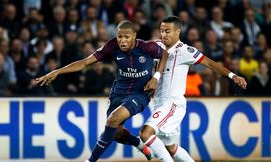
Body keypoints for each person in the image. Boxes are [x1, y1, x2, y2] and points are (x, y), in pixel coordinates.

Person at [35, 20, 169, 162]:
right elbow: (86, 62)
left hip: (140, 93)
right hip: (118, 92)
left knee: (113, 119)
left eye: (126, 37)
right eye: (119, 36)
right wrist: (57, 71)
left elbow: (165, 54)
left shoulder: (147, 47)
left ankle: (91, 160)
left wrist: (156, 77)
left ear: (134, 36)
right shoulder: (111, 46)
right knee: (116, 133)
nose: (122, 40)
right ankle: (139, 144)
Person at [139, 16, 247, 162]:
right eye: (162, 30)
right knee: (170, 148)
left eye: (168, 31)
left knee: (146, 133)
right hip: (159, 103)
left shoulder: (185, 51)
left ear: (178, 32)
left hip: (172, 104)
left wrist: (233, 76)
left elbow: (210, 63)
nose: (164, 34)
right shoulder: (156, 46)